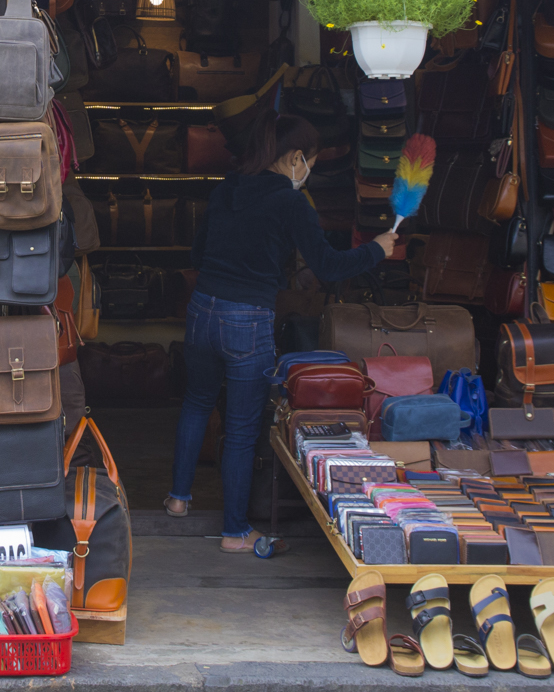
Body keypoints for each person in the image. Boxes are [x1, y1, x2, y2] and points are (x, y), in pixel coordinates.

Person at [168, 113, 396, 552]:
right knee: (240, 427)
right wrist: (375, 250)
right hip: (246, 320)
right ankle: (234, 532)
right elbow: (328, 266)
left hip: (202, 310)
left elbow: (198, 251)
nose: (307, 171)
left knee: (196, 401)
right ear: (295, 158)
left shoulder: (227, 188)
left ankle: (179, 499)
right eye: (309, 161)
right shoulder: (292, 204)